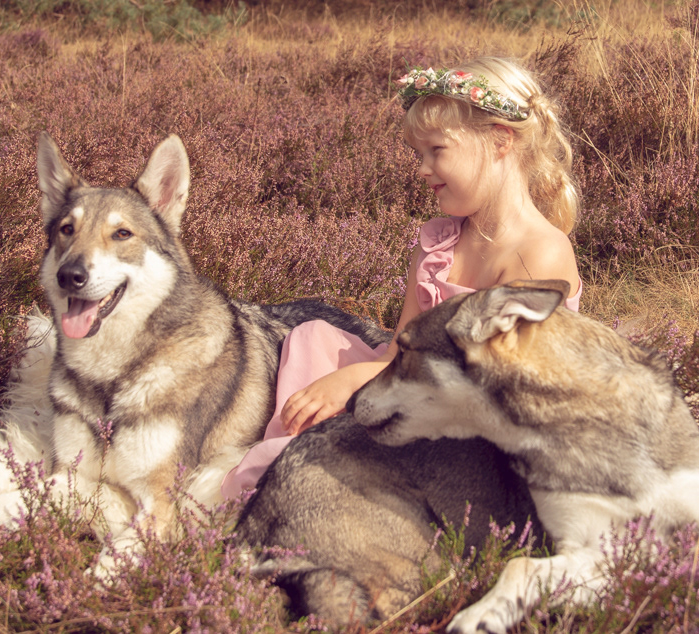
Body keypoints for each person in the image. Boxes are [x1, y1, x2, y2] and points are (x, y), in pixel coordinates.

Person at [221, 56, 583, 499]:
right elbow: (398, 349)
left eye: (438, 151)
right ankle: (289, 455)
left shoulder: (538, 252)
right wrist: (358, 377)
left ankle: (292, 476)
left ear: (500, 141)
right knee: (313, 337)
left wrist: (355, 384)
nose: (422, 169)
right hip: (413, 383)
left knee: (355, 406)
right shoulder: (438, 244)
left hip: (475, 422)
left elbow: (492, 385)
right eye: (419, 154)